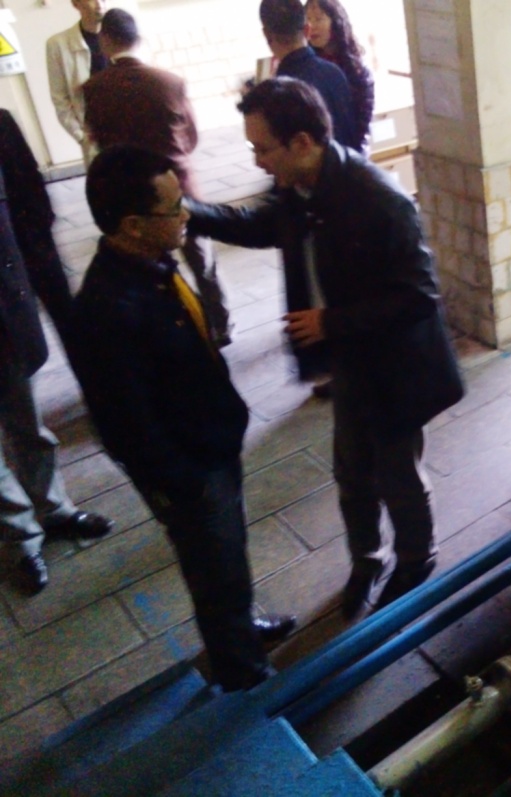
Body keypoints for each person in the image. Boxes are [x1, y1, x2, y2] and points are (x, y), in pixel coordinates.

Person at [185, 78, 464, 625]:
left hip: (395, 369)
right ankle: (367, 560)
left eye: (263, 148)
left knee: (398, 474)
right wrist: (186, 211)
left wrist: (330, 322)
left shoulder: (378, 199)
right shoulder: (301, 187)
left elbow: (419, 295)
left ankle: (416, 559)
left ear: (303, 142)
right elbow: (259, 225)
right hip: (350, 362)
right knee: (352, 474)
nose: (258, 161)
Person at [72, 145, 296, 691]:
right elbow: (125, 426)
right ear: (132, 225)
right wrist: (185, 483)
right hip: (191, 469)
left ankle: (242, 629)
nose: (186, 214)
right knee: (213, 571)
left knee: (227, 557)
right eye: (173, 208)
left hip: (211, 441)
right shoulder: (107, 310)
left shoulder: (150, 265)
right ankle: (244, 675)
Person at [0, 110, 114, 595]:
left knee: (28, 423)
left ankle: (54, 510)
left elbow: (31, 209)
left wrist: (43, 293)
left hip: (5, 312)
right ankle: (21, 535)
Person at [82, 9, 231, 347]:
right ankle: (220, 325)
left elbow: (99, 141)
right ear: (138, 38)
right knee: (202, 261)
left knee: (146, 267)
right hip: (178, 186)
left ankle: (171, 333)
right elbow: (191, 137)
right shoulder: (169, 82)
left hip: (131, 198)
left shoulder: (94, 89)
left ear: (105, 41)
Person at [259, 0, 360, 150]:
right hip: (347, 163)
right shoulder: (334, 72)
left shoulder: (278, 92)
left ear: (266, 34)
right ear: (307, 29)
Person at [305, 0, 375, 153]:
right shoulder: (306, 67)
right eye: (308, 19)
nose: (311, 26)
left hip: (350, 153)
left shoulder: (358, 70)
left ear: (336, 22)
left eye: (318, 19)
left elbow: (362, 126)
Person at [45, 0, 108, 165]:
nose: (100, 4)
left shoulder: (121, 36)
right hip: (94, 136)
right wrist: (81, 136)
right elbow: (60, 99)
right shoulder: (58, 44)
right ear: (76, 4)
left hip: (130, 130)